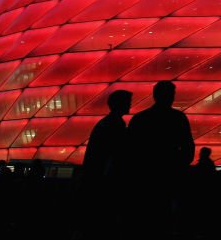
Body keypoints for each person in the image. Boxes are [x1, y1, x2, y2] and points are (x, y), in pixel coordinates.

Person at [126, 81, 195, 229]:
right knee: (166, 217)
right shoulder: (178, 118)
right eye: (172, 94)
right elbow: (188, 147)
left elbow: (130, 150)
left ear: (154, 95)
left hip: (145, 177)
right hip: (170, 175)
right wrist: (179, 166)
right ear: (171, 96)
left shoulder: (140, 118)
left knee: (146, 217)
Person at [82, 89, 132, 189]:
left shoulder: (106, 122)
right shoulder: (115, 123)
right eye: (128, 102)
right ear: (120, 104)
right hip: (104, 174)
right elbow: (117, 149)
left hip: (96, 172)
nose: (130, 105)